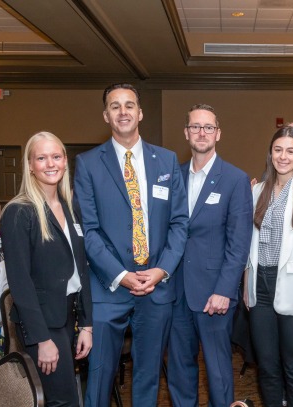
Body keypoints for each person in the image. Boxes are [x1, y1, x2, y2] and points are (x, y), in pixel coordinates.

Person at [74, 83, 188, 407]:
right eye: (115, 106)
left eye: (129, 105)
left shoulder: (166, 161)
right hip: (109, 286)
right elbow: (89, 230)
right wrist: (121, 274)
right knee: (100, 377)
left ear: (140, 112)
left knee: (148, 376)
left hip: (156, 287)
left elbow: (180, 223)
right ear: (106, 116)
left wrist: (162, 270)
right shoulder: (88, 164)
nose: (123, 111)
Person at [167, 104, 253, 407]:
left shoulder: (235, 179)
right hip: (175, 291)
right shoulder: (172, 177)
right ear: (186, 133)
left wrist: (224, 291)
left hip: (214, 294)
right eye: (195, 127)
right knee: (179, 369)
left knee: (217, 372)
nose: (201, 132)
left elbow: (239, 243)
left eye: (207, 127)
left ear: (218, 133)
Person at [0, 131, 93, 406]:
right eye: (41, 158)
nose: (50, 163)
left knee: (67, 398)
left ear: (65, 161)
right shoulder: (19, 212)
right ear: (30, 165)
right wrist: (42, 339)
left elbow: (82, 269)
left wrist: (87, 324)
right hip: (44, 323)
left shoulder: (70, 207)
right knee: (63, 401)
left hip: (69, 317)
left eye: (56, 156)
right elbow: (20, 282)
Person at [244, 126, 293, 407]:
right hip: (260, 287)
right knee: (266, 366)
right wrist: (246, 284)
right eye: (278, 149)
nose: (283, 156)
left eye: (291, 150)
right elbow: (249, 245)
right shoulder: (258, 191)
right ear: (271, 153)